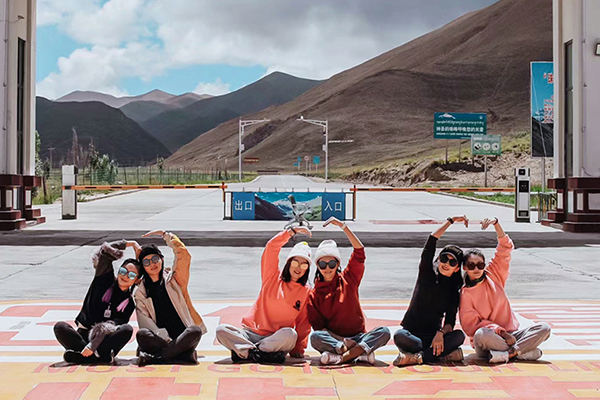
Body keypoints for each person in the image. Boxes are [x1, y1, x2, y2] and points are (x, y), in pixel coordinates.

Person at [459, 217, 551, 363]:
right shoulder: (465, 293)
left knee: (544, 328)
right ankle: (523, 352)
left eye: (480, 265)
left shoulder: (494, 275)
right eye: (471, 266)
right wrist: (501, 332)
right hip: (490, 340)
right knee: (481, 334)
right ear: (464, 267)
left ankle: (510, 354)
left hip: (512, 334)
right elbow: (471, 327)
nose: (476, 269)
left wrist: (496, 224)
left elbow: (505, 248)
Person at [215, 227, 313, 363]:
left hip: (276, 338)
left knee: (291, 334)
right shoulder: (272, 276)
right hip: (251, 334)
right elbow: (271, 248)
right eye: (295, 262)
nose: (298, 268)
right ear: (289, 263)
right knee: (222, 330)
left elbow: (304, 323)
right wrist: (290, 232)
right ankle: (261, 353)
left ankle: (247, 352)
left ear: (307, 269)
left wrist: (299, 348)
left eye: (304, 265)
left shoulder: (306, 291)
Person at [308, 217, 390, 365]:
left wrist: (343, 226)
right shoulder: (314, 295)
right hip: (336, 340)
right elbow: (320, 329)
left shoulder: (348, 278)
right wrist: (343, 342)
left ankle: (342, 357)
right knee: (315, 337)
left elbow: (359, 252)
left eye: (331, 264)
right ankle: (359, 353)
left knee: (384, 332)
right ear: (317, 266)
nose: (327, 268)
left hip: (359, 337)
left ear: (338, 263)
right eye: (323, 264)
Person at [393, 215, 468, 366]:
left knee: (459, 336)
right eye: (444, 258)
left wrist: (440, 334)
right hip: (412, 335)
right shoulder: (426, 273)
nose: (446, 263)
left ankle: (418, 358)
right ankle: (441, 354)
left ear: (456, 269)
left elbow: (450, 322)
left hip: (434, 336)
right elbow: (432, 240)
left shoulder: (454, 290)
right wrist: (451, 221)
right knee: (399, 336)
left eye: (452, 262)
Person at [54, 240, 141, 364]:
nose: (125, 276)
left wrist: (93, 345)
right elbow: (105, 252)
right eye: (123, 271)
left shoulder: (129, 303)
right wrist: (130, 244)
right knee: (60, 327)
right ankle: (94, 357)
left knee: (126, 329)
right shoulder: (104, 279)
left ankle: (84, 355)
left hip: (104, 342)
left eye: (132, 275)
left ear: (136, 280)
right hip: (84, 336)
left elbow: (112, 325)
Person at [135, 230, 207, 366]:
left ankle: (156, 358)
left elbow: (184, 256)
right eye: (147, 262)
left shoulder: (175, 280)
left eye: (155, 259)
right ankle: (182, 355)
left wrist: (166, 235)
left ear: (161, 259)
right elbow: (145, 322)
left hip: (182, 337)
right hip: (161, 339)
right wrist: (167, 341)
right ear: (143, 267)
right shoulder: (141, 292)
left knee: (195, 330)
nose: (152, 264)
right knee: (142, 334)